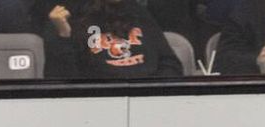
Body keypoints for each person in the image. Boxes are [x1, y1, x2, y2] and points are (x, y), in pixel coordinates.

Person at [44, 0, 184, 78]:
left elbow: (170, 64)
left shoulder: (139, 12)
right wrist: (64, 34)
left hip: (147, 99)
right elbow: (60, 81)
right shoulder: (69, 18)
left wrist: (151, 92)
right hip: (99, 102)